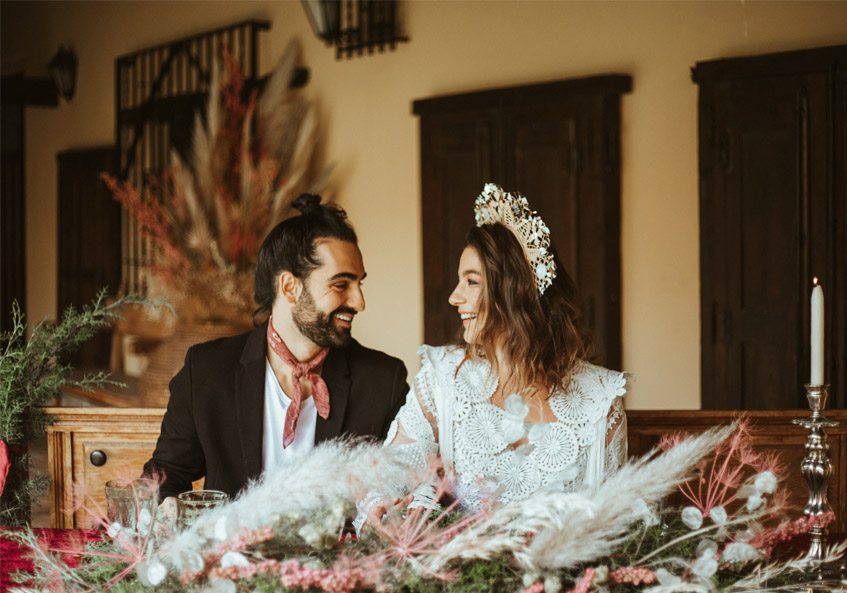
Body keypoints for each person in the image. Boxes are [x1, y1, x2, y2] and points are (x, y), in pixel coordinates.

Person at [371, 183, 627, 517]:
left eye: (471, 282)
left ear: (514, 292)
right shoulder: (443, 377)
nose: (454, 297)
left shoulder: (600, 400)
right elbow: (393, 472)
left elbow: (617, 524)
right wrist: (387, 505)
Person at [144, 194, 409, 500]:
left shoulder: (382, 381)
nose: (359, 302)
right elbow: (167, 476)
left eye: (359, 284)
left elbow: (401, 487)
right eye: (341, 285)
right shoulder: (206, 370)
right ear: (289, 287)